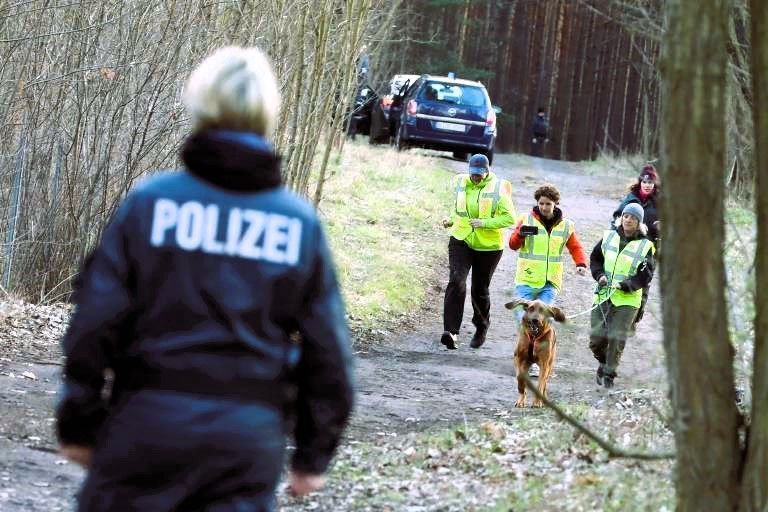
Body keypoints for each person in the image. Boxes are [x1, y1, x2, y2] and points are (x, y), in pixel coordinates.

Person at [55, 46, 355, 511]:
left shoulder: (151, 205)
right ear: (268, 114)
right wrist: (313, 456)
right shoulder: (298, 226)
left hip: (147, 425)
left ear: (200, 105)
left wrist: (78, 422)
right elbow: (329, 352)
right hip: (245, 442)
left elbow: (94, 320)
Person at [440, 153, 517, 350]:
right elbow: (459, 209)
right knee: (457, 281)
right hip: (461, 239)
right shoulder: (460, 182)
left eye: (479, 175)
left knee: (479, 289)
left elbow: (510, 219)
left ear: (487, 171)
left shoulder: (499, 188)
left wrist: (485, 223)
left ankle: (481, 327)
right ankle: (451, 332)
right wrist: (451, 219)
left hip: (489, 247)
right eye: (473, 174)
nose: (475, 177)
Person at [589, 202, 655, 389]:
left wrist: (626, 285)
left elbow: (646, 274)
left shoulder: (646, 246)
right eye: (626, 216)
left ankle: (609, 374)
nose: (628, 220)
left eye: (633, 218)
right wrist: (600, 275)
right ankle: (603, 363)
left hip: (628, 299)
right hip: (603, 295)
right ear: (621, 218)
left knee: (616, 338)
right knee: (596, 340)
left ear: (639, 222)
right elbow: (595, 259)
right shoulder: (608, 237)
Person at [611, 163, 661, 325]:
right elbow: (617, 217)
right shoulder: (631, 198)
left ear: (654, 184)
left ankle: (634, 317)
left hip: (649, 248)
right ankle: (617, 312)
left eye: (650, 183)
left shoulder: (659, 203)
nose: (647, 185)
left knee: (643, 280)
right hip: (628, 245)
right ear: (640, 182)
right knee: (625, 276)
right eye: (645, 182)